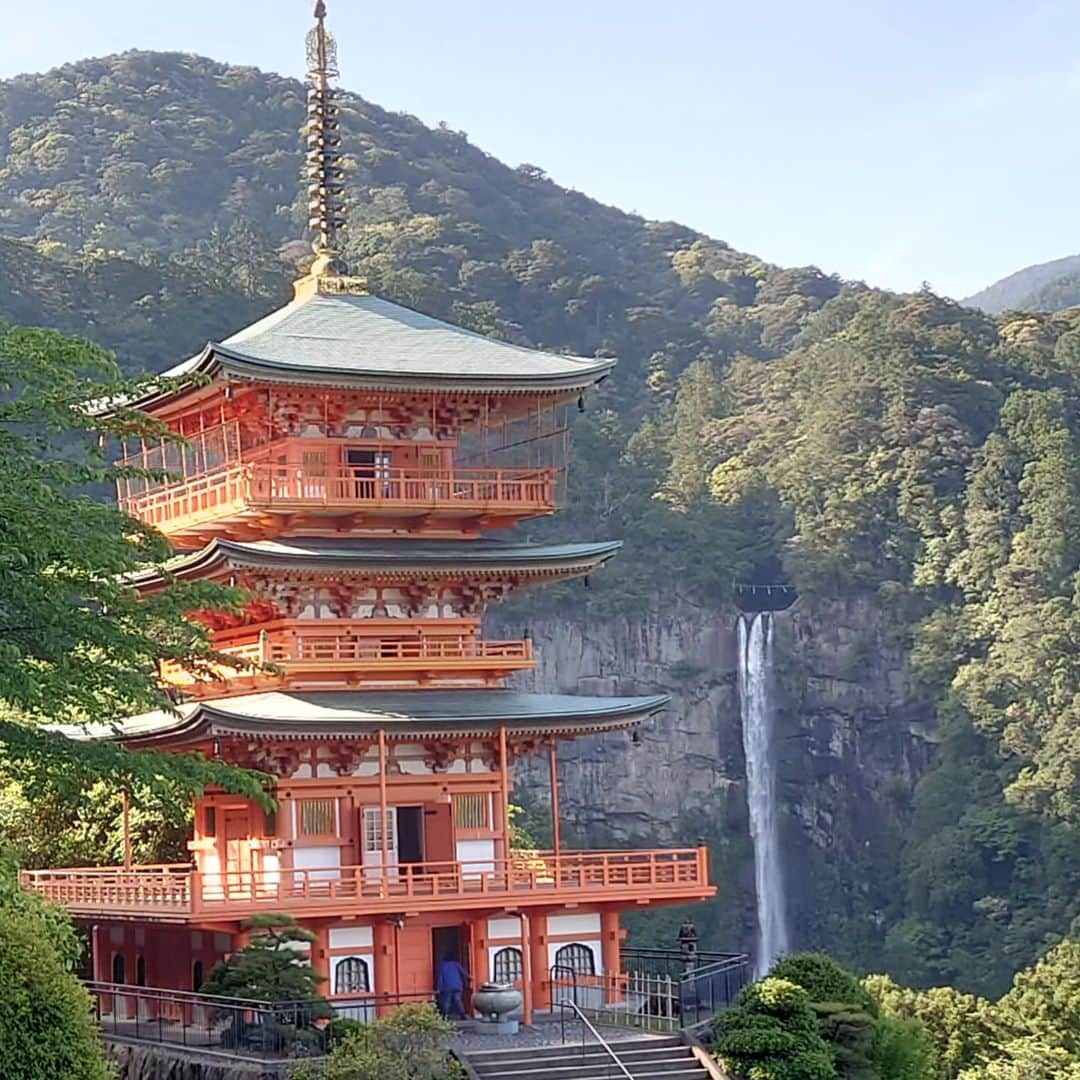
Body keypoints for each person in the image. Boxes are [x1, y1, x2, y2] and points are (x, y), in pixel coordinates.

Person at [436, 951, 470, 1019]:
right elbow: (463, 972)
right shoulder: (456, 964)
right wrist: (470, 977)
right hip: (457, 985)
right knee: (458, 1000)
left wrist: (439, 988)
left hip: (447, 986)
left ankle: (445, 1016)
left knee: (447, 1001)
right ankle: (463, 1014)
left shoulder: (442, 966)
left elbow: (441, 978)